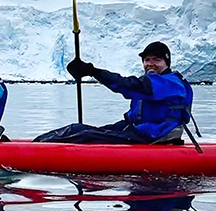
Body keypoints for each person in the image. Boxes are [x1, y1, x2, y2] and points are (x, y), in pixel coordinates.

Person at [34, 41, 193, 144]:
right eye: (147, 60)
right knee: (77, 129)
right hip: (139, 130)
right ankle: (35, 144)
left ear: (166, 62)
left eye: (156, 60)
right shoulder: (156, 82)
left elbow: (126, 85)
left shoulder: (170, 83)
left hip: (155, 135)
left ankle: (32, 153)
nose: (150, 64)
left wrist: (93, 71)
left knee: (85, 136)